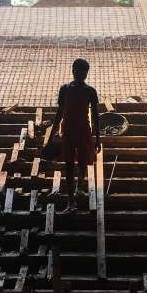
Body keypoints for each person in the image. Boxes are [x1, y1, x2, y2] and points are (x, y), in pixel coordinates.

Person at [47, 58, 101, 212]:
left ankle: (79, 187)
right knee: (69, 164)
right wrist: (52, 134)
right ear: (72, 71)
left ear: (86, 74)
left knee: (83, 161)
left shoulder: (90, 91)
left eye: (83, 72)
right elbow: (59, 113)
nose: (79, 74)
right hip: (69, 131)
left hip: (83, 130)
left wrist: (98, 138)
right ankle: (71, 202)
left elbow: (95, 115)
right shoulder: (65, 89)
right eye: (76, 70)